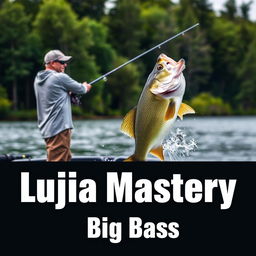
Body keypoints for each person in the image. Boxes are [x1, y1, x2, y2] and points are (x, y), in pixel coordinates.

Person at [34, 49, 91, 161]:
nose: (65, 65)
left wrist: (67, 93)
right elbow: (82, 89)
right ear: (51, 63)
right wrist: (85, 86)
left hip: (47, 128)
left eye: (65, 62)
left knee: (65, 158)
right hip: (59, 128)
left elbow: (54, 92)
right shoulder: (59, 77)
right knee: (58, 160)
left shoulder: (39, 79)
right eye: (61, 62)